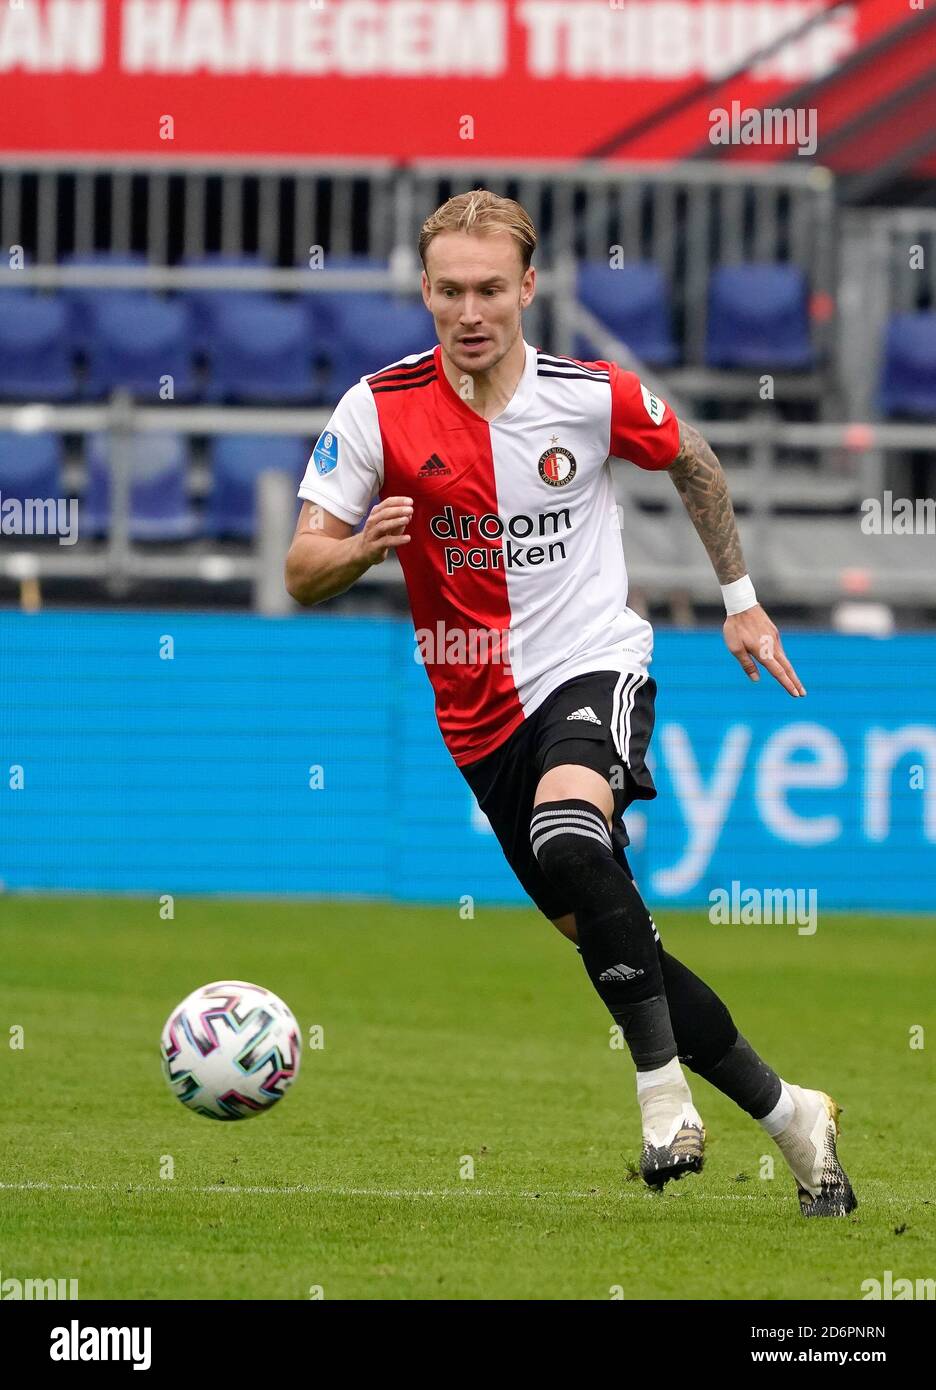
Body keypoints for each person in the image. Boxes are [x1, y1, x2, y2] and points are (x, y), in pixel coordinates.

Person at [285, 189, 856, 1217]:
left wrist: (741, 602)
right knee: (613, 935)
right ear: (424, 290)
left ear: (528, 288)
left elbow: (693, 459)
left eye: (491, 289)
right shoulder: (377, 409)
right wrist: (362, 547)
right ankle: (790, 1115)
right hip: (480, 721)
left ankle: (661, 1100)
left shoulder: (589, 397)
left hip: (595, 663)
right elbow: (298, 568)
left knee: (567, 833)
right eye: (450, 290)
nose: (471, 311)